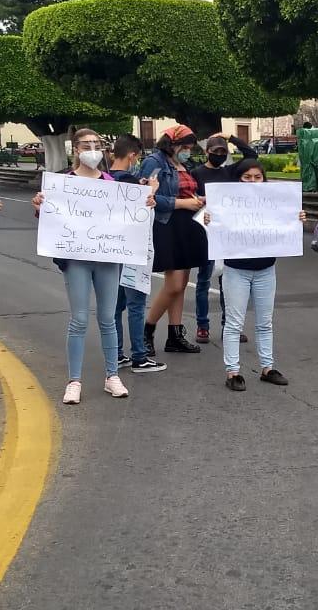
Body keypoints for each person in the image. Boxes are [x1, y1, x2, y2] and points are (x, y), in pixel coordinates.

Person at [34, 129, 151, 403]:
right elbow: (49, 218)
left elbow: (131, 216)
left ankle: (112, 376)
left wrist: (146, 204)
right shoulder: (63, 183)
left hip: (108, 259)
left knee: (108, 318)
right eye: (86, 145)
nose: (92, 149)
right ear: (75, 149)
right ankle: (74, 381)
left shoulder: (112, 184)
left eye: (97, 144)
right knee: (80, 320)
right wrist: (40, 206)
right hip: (77, 260)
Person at [201, 159, 305, 390]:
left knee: (265, 322)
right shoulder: (226, 203)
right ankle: (233, 372)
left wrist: (295, 219)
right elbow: (211, 227)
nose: (252, 182)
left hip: (266, 269)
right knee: (234, 323)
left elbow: (284, 222)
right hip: (236, 270)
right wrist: (208, 220)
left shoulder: (272, 202)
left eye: (257, 177)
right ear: (237, 179)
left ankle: (267, 367)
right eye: (246, 177)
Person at [138, 124, 208, 356]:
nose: (188, 150)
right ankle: (146, 330)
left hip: (188, 224)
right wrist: (183, 203)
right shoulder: (154, 162)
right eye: (184, 146)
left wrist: (198, 200)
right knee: (174, 284)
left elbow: (186, 191)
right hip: (167, 225)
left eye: (190, 147)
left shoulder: (183, 164)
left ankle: (175, 335)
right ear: (172, 143)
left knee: (182, 284)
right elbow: (147, 197)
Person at [191, 133, 259, 343]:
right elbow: (191, 196)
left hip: (227, 233)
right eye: (216, 151)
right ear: (207, 152)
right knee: (204, 280)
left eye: (223, 152)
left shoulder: (229, 172)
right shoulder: (196, 173)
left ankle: (229, 325)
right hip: (205, 230)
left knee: (227, 283)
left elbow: (251, 155)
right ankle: (202, 325)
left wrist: (231, 138)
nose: (219, 155)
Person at [109, 134, 164, 373]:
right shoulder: (133, 185)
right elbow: (142, 219)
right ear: (132, 155)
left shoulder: (103, 180)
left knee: (116, 305)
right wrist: (150, 192)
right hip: (132, 251)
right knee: (136, 304)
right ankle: (139, 356)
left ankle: (117, 353)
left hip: (109, 250)